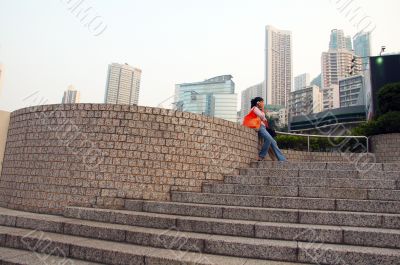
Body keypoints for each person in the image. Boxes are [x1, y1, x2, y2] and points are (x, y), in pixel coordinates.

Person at [243, 97, 286, 161]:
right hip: (259, 126)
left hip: (262, 127)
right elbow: (262, 116)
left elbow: (263, 119)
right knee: (269, 139)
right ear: (258, 102)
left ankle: (282, 160)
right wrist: (262, 109)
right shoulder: (255, 108)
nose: (263, 103)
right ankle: (261, 156)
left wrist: (261, 111)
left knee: (273, 142)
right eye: (262, 102)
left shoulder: (258, 109)